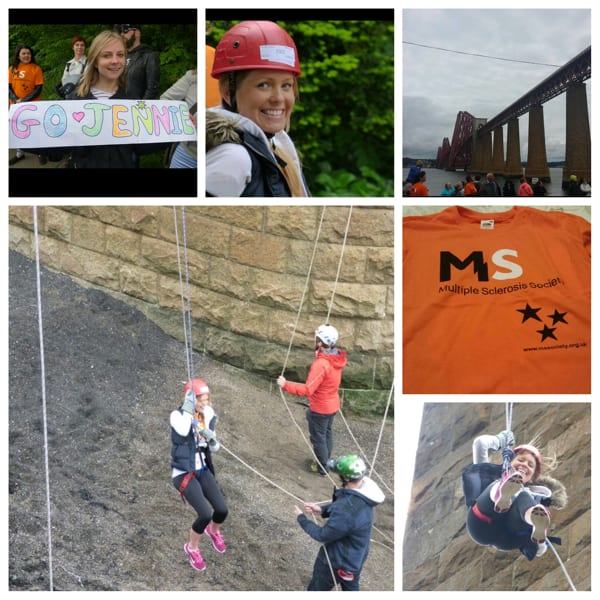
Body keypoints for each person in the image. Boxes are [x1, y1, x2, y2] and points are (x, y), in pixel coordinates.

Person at [206, 20, 309, 197]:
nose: (278, 98)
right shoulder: (233, 158)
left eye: (286, 85)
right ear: (228, 93)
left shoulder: (277, 146)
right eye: (263, 85)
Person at [462, 431, 567, 561]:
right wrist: (501, 439)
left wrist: (539, 544)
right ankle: (501, 496)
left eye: (530, 465)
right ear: (510, 462)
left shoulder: (534, 496)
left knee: (524, 496)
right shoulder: (492, 474)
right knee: (500, 483)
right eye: (521, 460)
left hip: (510, 534)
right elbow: (480, 444)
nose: (524, 465)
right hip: (482, 523)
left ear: (532, 478)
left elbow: (539, 552)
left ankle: (535, 520)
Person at [294, 454, 385, 591]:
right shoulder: (363, 491)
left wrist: (301, 518)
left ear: (347, 478)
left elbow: (322, 535)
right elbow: (346, 507)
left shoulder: (347, 510)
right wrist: (322, 510)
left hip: (338, 561)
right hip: (356, 557)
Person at [170, 378, 229, 572]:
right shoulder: (177, 416)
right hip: (183, 473)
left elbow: (216, 447)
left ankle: (213, 531)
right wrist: (189, 409)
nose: (204, 404)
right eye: (200, 400)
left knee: (221, 510)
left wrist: (212, 440)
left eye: (206, 399)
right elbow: (184, 429)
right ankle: (192, 548)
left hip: (201, 469)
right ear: (189, 398)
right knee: (204, 513)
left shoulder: (208, 414)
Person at [277, 324, 347, 475]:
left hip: (320, 408)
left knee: (318, 437)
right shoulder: (336, 358)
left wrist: (285, 385)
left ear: (320, 342)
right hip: (332, 404)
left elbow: (308, 389)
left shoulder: (321, 364)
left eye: (317, 339)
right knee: (326, 433)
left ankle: (323, 467)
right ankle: (326, 461)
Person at [62, 30, 139, 168]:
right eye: (107, 55)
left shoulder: (132, 98)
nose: (115, 61)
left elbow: (142, 145)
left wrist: (179, 125)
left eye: (120, 55)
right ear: (95, 61)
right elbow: (61, 146)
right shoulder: (76, 99)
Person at [9, 44, 46, 166]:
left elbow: (38, 88)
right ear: (18, 55)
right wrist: (15, 99)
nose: (26, 55)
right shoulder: (12, 69)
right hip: (15, 106)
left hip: (33, 105)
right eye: (23, 53)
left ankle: (40, 153)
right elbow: (8, 87)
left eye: (28, 53)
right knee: (18, 130)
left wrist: (24, 101)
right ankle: (20, 153)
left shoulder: (36, 69)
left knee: (35, 129)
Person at [160, 69, 197, 168]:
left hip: (221, 155)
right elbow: (165, 100)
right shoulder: (194, 77)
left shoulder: (234, 80)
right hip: (188, 152)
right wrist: (180, 115)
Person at [115, 24, 160, 99]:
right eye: (120, 31)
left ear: (137, 33)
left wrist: (141, 108)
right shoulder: (118, 57)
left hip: (136, 108)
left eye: (125, 30)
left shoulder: (149, 56)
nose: (122, 34)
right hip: (116, 106)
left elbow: (152, 89)